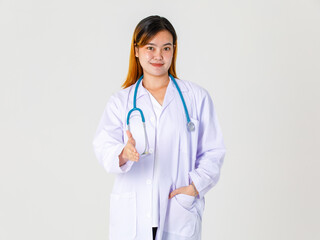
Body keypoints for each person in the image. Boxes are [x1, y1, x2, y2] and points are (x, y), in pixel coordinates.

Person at [92, 15, 226, 240]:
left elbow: (213, 151)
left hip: (177, 208)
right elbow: (103, 144)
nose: (158, 56)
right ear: (136, 50)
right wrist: (122, 154)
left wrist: (195, 187)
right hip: (132, 213)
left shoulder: (195, 98)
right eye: (150, 47)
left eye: (166, 48)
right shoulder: (120, 102)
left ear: (174, 50)